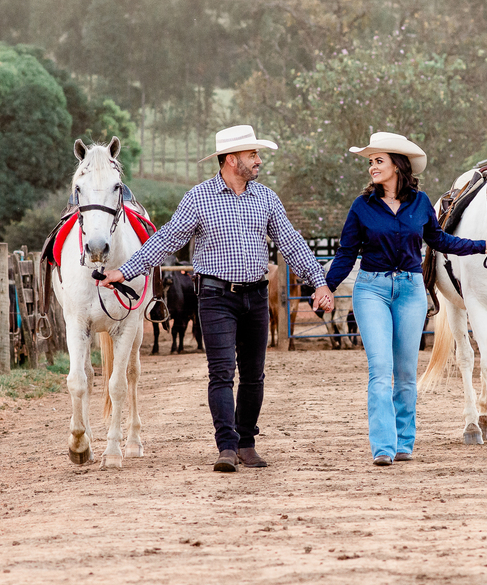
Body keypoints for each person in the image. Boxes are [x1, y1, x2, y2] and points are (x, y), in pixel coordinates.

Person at [100, 125, 334, 473]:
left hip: (255, 295)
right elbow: (166, 239)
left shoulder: (267, 198)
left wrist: (319, 282)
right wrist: (126, 271)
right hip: (214, 296)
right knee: (222, 372)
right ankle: (226, 446)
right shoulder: (198, 198)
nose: (258, 160)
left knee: (254, 375)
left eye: (256, 154)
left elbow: (291, 241)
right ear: (230, 159)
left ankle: (246, 443)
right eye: (252, 155)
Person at [325, 132, 487, 466]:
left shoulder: (420, 203)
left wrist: (481, 244)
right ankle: (383, 446)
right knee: (380, 369)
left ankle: (404, 441)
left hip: (410, 291)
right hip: (372, 290)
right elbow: (347, 254)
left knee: (406, 373)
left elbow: (439, 240)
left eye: (378, 161)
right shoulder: (361, 207)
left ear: (397, 164)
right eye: (370, 162)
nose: (372, 168)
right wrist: (325, 287)